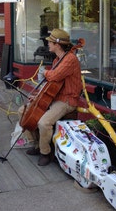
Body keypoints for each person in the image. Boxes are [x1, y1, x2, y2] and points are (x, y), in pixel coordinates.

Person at [20, 28, 83, 166]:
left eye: (50, 42)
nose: (48, 44)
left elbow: (54, 76)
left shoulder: (70, 59)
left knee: (44, 122)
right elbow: (51, 84)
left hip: (67, 100)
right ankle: (36, 144)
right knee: (23, 111)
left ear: (58, 45)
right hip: (54, 97)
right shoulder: (57, 60)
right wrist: (37, 96)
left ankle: (45, 153)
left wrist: (45, 72)